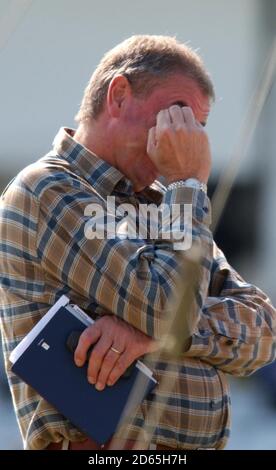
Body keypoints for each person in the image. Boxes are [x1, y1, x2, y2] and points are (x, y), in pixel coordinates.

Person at [0, 35, 275, 451]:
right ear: (119, 96)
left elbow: (263, 330)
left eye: (194, 129)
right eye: (176, 118)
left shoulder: (169, 207)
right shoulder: (48, 189)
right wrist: (187, 182)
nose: (183, 141)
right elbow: (166, 305)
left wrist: (152, 336)